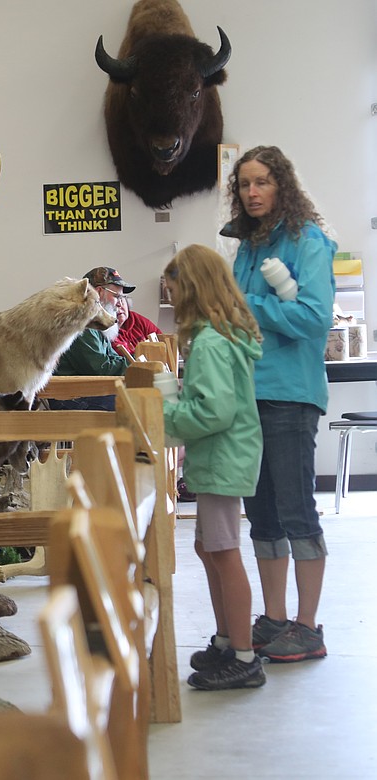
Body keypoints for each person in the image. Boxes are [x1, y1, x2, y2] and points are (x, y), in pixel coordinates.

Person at [223, 145, 336, 663]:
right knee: (262, 513)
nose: (252, 192)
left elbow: (314, 319)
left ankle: (308, 626)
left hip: (290, 395)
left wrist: (249, 306)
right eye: (244, 184)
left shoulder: (308, 241)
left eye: (262, 182)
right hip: (246, 394)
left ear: (281, 185)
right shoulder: (247, 246)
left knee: (295, 510)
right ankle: (273, 618)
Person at [162, 245, 265, 690]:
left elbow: (212, 412)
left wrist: (165, 417)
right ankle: (226, 641)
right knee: (209, 550)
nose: (171, 300)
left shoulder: (209, 343)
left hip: (222, 458)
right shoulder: (218, 337)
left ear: (192, 290)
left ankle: (244, 656)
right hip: (220, 458)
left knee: (223, 553)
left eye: (173, 291)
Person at [48, 266, 132, 411]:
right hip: (70, 398)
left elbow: (111, 358)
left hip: (85, 392)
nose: (120, 303)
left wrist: (134, 364)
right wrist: (137, 366)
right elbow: (100, 369)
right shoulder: (81, 323)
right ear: (99, 292)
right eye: (117, 297)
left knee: (138, 398)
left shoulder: (96, 323)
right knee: (135, 404)